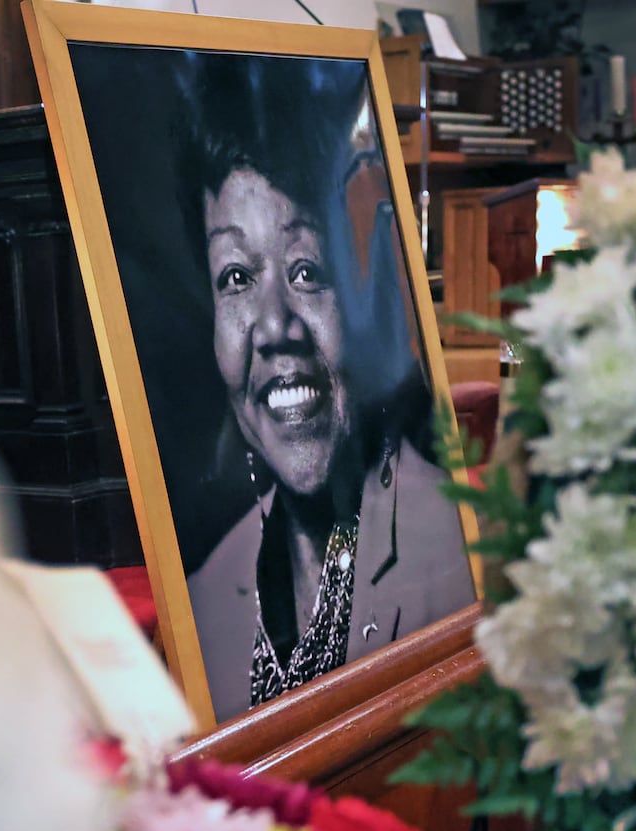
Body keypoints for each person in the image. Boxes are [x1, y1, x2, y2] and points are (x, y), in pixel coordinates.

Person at [179, 57, 476, 722]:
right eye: (234, 277)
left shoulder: (452, 562)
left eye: (308, 269)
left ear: (367, 295)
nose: (275, 326)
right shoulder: (203, 596)